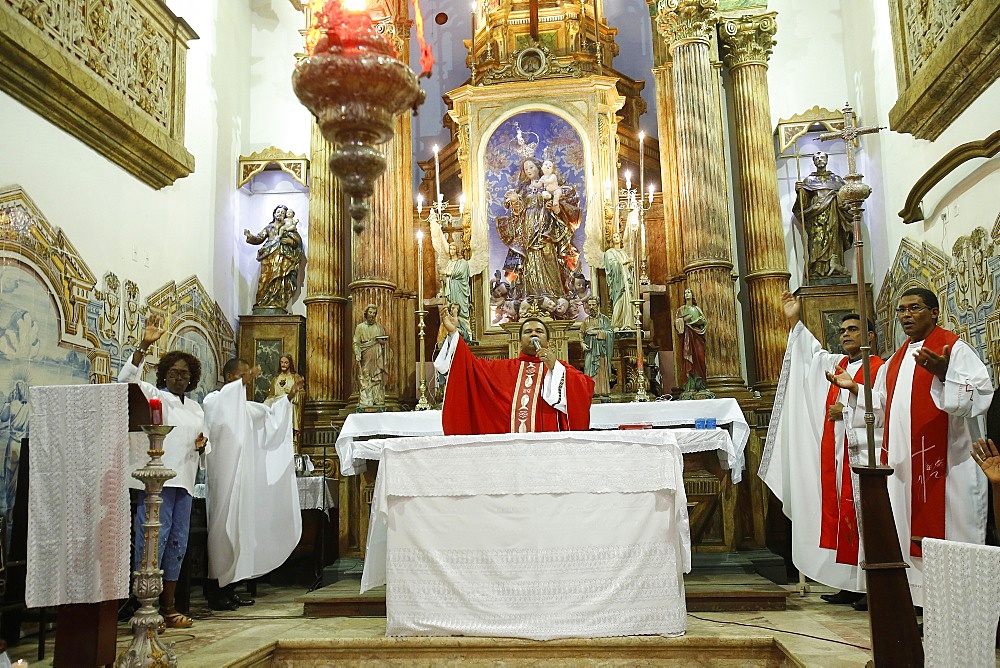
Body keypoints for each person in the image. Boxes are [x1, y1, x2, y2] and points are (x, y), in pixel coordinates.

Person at [830, 286, 994, 606]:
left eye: (915, 308)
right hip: (907, 467)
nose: (906, 315)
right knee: (908, 532)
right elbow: (880, 406)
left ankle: (959, 606)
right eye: (902, 310)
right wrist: (854, 389)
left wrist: (946, 374)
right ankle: (922, 603)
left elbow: (980, 395)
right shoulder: (896, 360)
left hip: (950, 463)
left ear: (934, 312)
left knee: (954, 533)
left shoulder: (954, 349)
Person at [761, 291, 884, 609]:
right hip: (837, 456)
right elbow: (809, 356)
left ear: (870, 335)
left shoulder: (880, 368)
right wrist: (793, 320)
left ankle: (871, 586)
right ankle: (849, 582)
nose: (845, 335)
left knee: (863, 518)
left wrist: (846, 409)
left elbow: (886, 405)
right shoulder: (837, 364)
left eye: (853, 329)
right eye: (842, 330)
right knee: (843, 517)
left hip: (865, 456)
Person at [117, 313, 206, 629]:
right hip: (156, 482)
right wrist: (143, 345)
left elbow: (202, 442)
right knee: (153, 539)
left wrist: (202, 445)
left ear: (191, 378)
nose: (179, 377)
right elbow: (125, 381)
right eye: (173, 372)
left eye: (184, 374)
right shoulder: (157, 397)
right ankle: (146, 605)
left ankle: (169, 607)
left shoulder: (196, 408)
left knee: (177, 543)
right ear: (164, 375)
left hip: (184, 483)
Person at [202, 358, 302, 610]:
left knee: (241, 532)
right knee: (221, 534)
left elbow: (269, 415)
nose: (247, 381)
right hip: (224, 480)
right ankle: (214, 590)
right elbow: (224, 406)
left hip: (243, 482)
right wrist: (241, 383)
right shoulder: (213, 401)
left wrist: (288, 398)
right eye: (241, 376)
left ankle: (231, 587)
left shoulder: (245, 407)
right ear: (227, 377)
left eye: (248, 376)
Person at [434, 306, 594, 434]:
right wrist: (454, 333)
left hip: (548, 448)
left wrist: (555, 367)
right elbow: (468, 367)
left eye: (539, 331)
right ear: (520, 340)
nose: (533, 335)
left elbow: (584, 388)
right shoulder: (500, 368)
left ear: (548, 340)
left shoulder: (559, 369)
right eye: (527, 332)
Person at [496, 156, 582, 299]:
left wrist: (554, 205)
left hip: (546, 225)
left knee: (548, 254)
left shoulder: (548, 185)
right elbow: (518, 211)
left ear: (538, 167)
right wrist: (514, 201)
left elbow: (558, 205)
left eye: (531, 167)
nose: (529, 171)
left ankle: (554, 295)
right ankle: (530, 296)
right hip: (527, 227)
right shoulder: (523, 189)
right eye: (526, 169)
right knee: (529, 260)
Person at [792, 151, 852, 281]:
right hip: (816, 217)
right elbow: (802, 205)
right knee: (816, 243)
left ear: (827, 159)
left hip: (833, 214)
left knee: (833, 240)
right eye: (817, 158)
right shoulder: (809, 180)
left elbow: (845, 199)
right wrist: (800, 191)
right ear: (814, 162)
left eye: (822, 157)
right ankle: (817, 270)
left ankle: (836, 269)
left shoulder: (836, 179)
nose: (819, 159)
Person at [245, 204, 304, 313]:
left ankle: (278, 302)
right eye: (278, 212)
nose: (280, 214)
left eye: (282, 213)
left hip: (283, 257)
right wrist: (250, 237)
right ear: (274, 213)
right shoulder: (269, 227)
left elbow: (298, 242)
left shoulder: (288, 227)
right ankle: (263, 302)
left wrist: (291, 242)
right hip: (268, 256)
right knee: (264, 279)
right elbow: (259, 238)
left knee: (280, 279)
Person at [353, 304, 388, 408]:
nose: (372, 315)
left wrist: (382, 342)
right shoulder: (360, 327)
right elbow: (356, 342)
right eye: (370, 312)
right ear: (366, 313)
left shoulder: (379, 327)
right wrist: (357, 352)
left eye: (374, 313)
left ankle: (377, 398)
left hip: (377, 353)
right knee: (366, 376)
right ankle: (366, 399)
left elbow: (383, 341)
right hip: (366, 353)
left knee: (377, 376)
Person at [674, 288, 708, 393]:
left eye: (689, 292)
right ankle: (690, 384)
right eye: (685, 293)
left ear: (692, 295)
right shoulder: (681, 309)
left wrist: (699, 322)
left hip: (697, 336)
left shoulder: (697, 309)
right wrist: (684, 320)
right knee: (688, 358)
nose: (687, 294)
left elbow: (704, 322)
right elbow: (677, 323)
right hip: (687, 337)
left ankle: (701, 383)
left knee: (700, 357)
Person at [267, 353, 303, 448]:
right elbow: (271, 395)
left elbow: (301, 393)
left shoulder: (295, 377)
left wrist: (292, 394)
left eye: (286, 362)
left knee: (290, 433)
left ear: (290, 364)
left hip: (290, 407)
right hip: (278, 409)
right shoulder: (275, 379)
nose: (283, 364)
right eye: (282, 362)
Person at [603, 230, 636, 330]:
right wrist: (625, 262)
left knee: (628, 300)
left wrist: (630, 266)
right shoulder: (609, 252)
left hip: (626, 279)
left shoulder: (623, 253)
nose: (616, 238)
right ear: (612, 240)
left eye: (618, 236)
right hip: (618, 282)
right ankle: (616, 323)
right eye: (614, 237)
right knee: (619, 301)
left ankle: (628, 323)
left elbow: (629, 268)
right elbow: (612, 265)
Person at [581, 296, 613, 396]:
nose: (591, 307)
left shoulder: (604, 319)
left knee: (601, 369)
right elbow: (581, 333)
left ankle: (602, 391)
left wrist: (596, 332)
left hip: (601, 350)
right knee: (589, 368)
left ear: (597, 305)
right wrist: (582, 343)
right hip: (590, 350)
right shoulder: (585, 321)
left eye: (593, 304)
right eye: (589, 305)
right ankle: (590, 391)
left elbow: (610, 333)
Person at [442, 241, 471, 323]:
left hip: (459, 288)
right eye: (450, 249)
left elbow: (460, 273)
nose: (452, 251)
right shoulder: (449, 262)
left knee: (459, 307)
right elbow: (447, 277)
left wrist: (446, 273)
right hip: (450, 287)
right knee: (451, 306)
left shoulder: (463, 262)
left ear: (457, 250)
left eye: (454, 249)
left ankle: (462, 324)